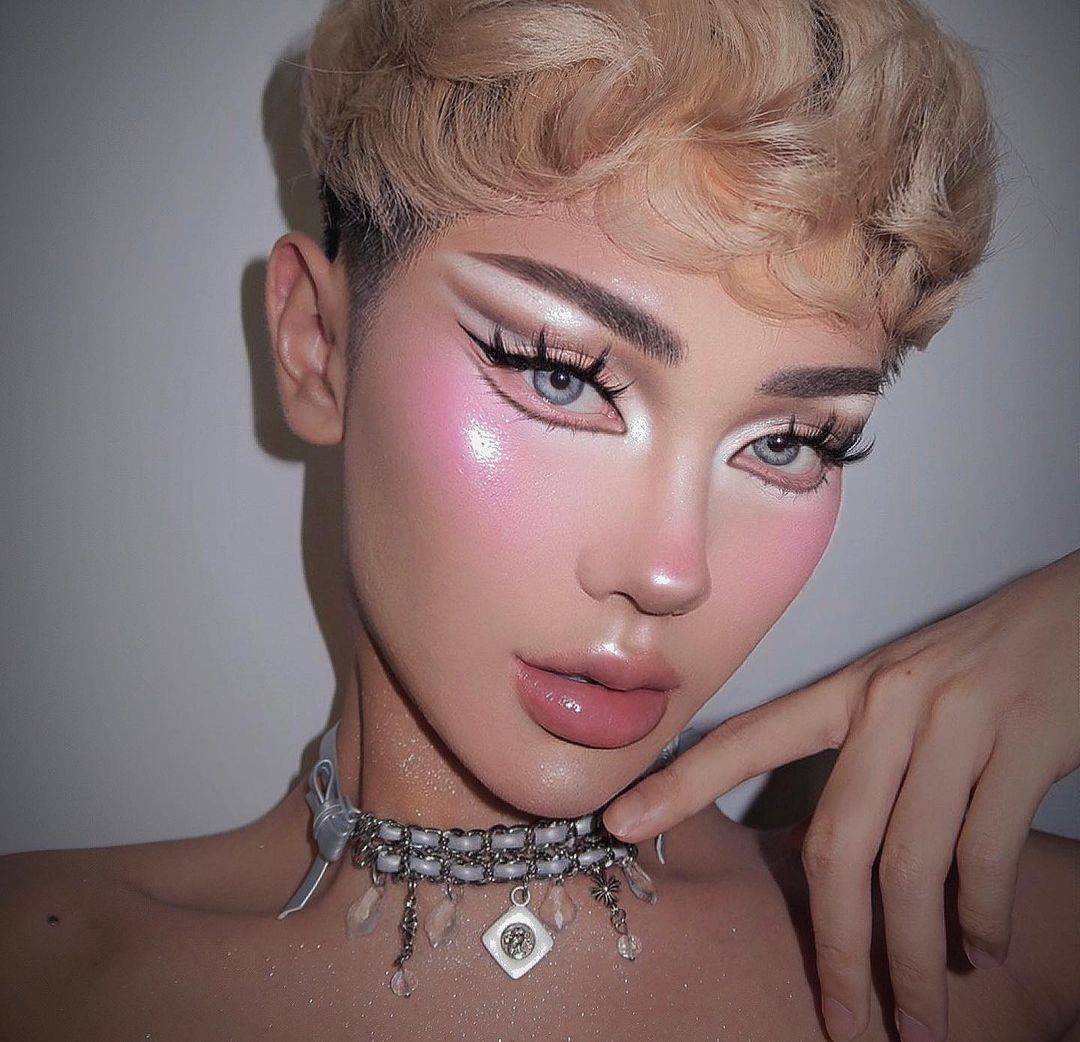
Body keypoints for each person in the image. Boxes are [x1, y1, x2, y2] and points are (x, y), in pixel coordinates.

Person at [1, 1, 1077, 1040]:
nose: (669, 571)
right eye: (561, 377)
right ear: (316, 345)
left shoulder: (1000, 951)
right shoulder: (39, 978)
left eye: (792, 441)